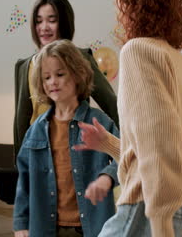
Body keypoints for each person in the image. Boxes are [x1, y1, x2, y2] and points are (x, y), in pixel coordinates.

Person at [74, 0, 182, 236]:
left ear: (131, 7)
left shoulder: (138, 51)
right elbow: (170, 141)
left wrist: (160, 220)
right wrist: (109, 144)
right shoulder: (179, 62)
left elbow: (160, 139)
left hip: (153, 206)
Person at [13, 40, 119, 237]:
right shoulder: (35, 130)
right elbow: (24, 180)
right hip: (46, 228)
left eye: (60, 74)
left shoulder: (99, 122)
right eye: (46, 77)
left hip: (92, 227)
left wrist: (107, 177)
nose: (52, 81)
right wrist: (21, 223)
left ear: (78, 76)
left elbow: (128, 156)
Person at [14, 0, 119, 163]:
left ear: (64, 21)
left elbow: (111, 105)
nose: (44, 27)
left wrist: (124, 152)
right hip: (38, 157)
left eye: (51, 20)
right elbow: (21, 121)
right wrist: (21, 169)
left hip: (75, 156)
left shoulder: (81, 58)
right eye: (39, 20)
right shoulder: (25, 66)